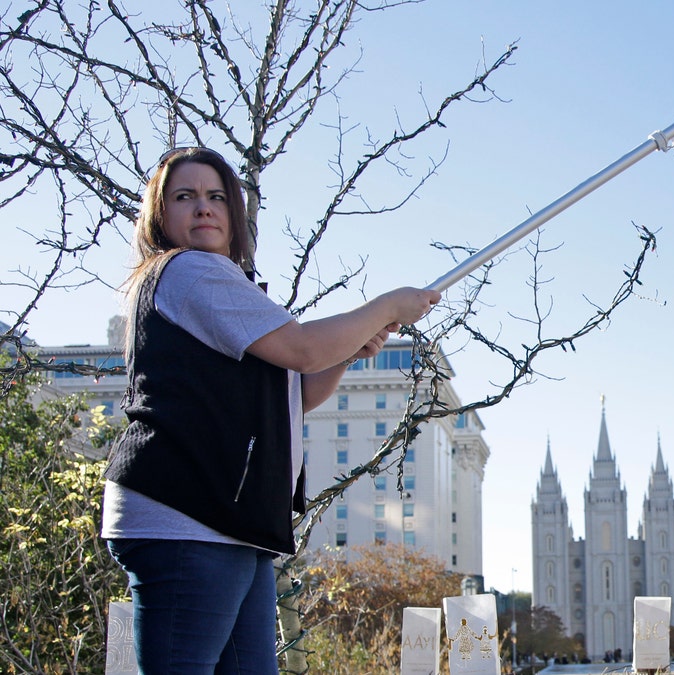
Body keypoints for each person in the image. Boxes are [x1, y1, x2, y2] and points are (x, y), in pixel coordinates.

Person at [100, 147, 440, 672]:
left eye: (216, 197)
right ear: (160, 215)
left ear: (234, 213)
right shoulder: (189, 271)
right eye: (184, 197)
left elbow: (296, 392)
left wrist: (349, 349)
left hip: (231, 519)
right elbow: (302, 347)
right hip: (188, 516)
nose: (204, 208)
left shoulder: (224, 287)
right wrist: (389, 306)